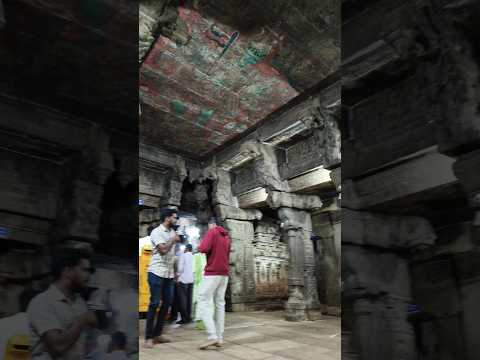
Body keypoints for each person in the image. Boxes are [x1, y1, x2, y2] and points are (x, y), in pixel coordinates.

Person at [27, 250, 98, 359]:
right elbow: (57, 347)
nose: (88, 276)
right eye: (84, 270)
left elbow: (84, 346)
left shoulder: (81, 303)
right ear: (67, 271)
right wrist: (82, 320)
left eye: (89, 271)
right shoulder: (42, 302)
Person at [144, 208, 181, 348]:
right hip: (156, 273)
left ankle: (157, 334)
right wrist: (173, 239)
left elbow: (173, 255)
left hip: (169, 275)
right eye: (174, 217)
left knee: (167, 304)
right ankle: (148, 337)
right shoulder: (157, 232)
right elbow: (163, 250)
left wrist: (176, 273)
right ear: (167, 218)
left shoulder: (172, 232)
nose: (176, 220)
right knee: (154, 303)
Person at [197, 218, 231, 350]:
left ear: (211, 224)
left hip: (213, 272)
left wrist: (200, 245)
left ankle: (212, 336)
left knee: (203, 299)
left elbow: (203, 248)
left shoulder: (212, 232)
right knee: (220, 304)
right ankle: (220, 338)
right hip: (224, 273)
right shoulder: (227, 236)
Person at [176, 244, 194, 324]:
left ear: (186, 249)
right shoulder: (193, 256)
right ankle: (189, 317)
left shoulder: (183, 256)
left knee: (183, 300)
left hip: (183, 280)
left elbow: (180, 268)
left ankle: (184, 318)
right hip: (191, 280)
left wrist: (177, 275)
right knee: (189, 300)